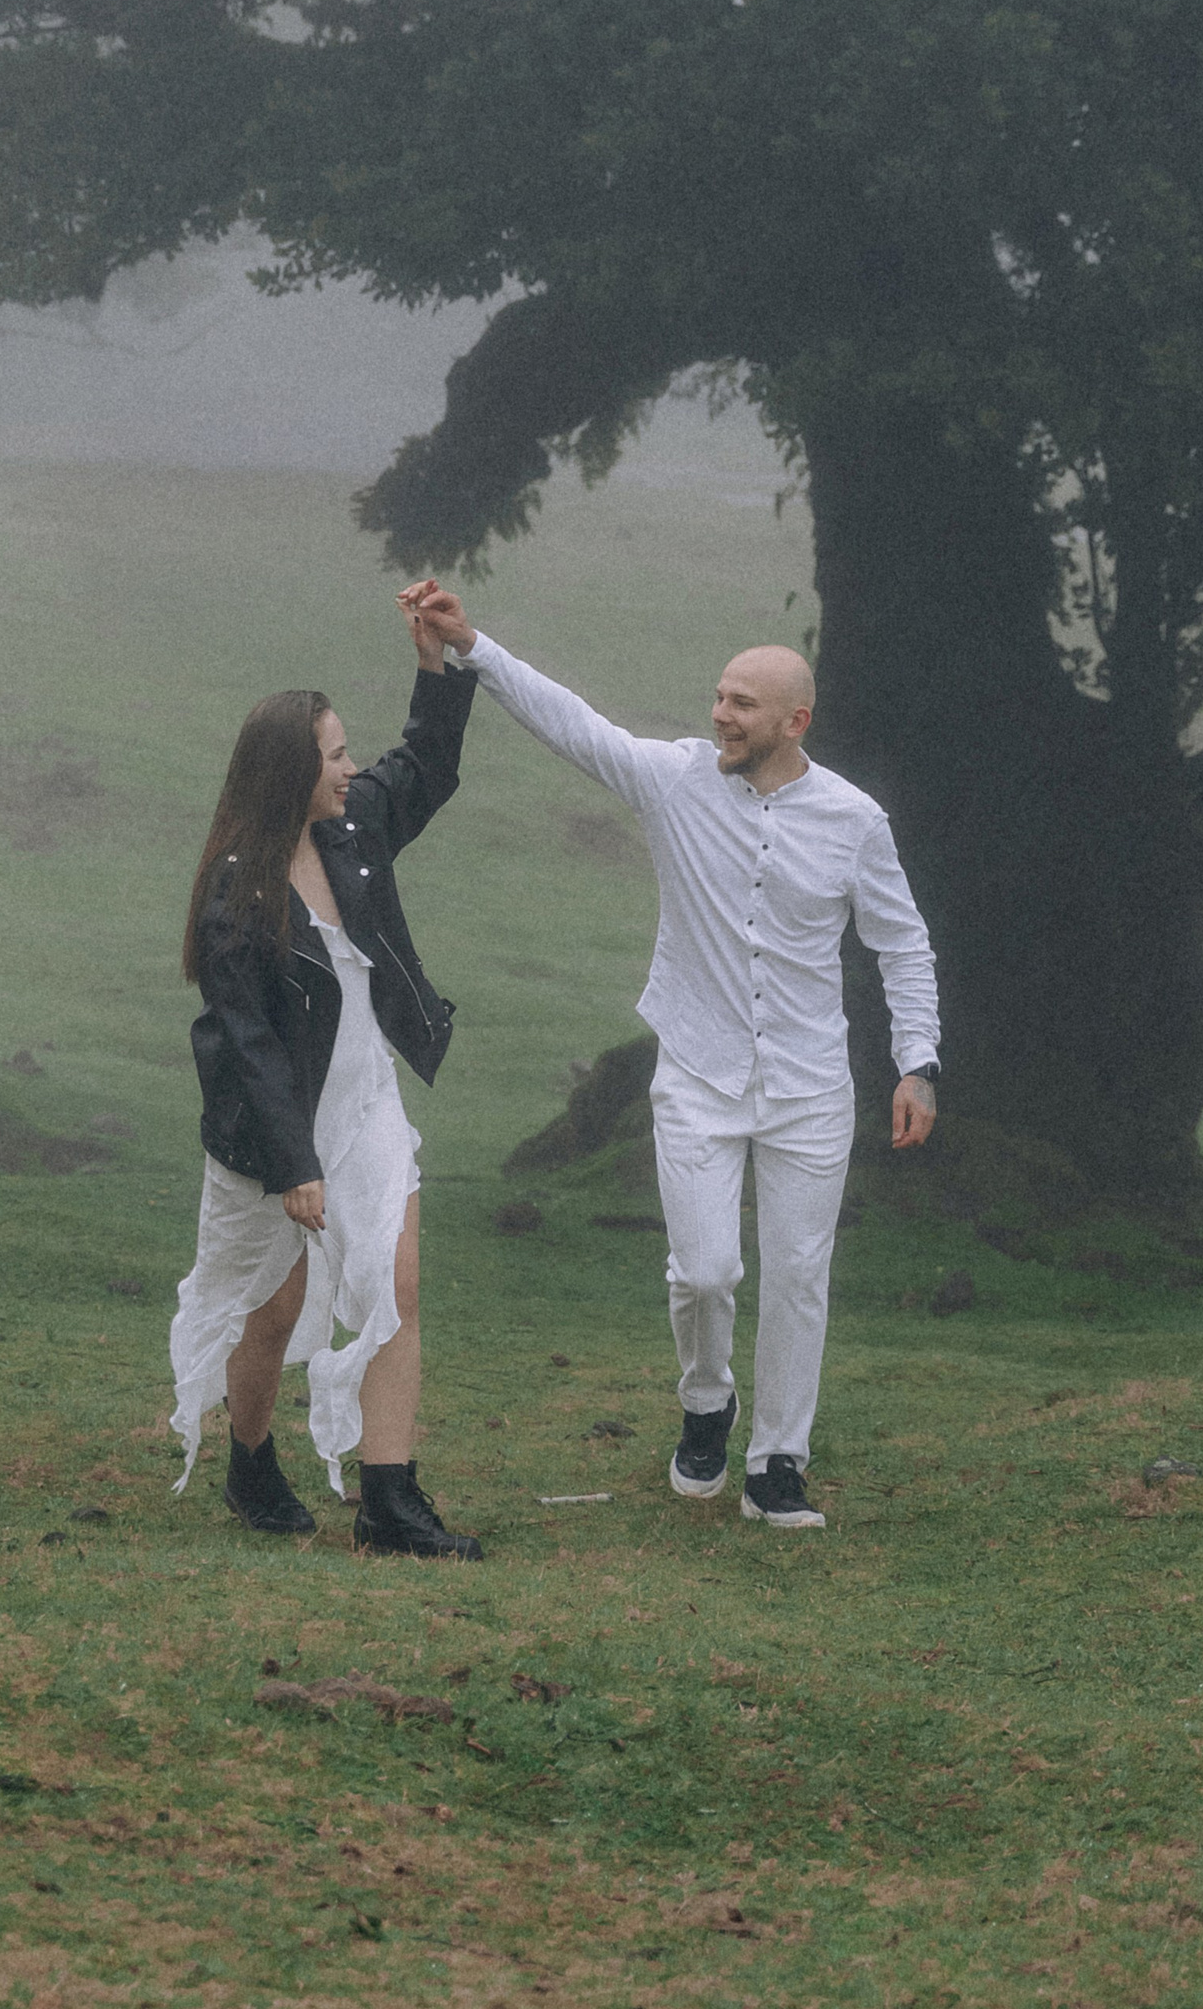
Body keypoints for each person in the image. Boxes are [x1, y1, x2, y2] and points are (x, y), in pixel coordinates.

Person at [400, 580, 939, 1532]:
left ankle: (779, 1463)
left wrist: (917, 1061)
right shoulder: (675, 778)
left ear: (793, 720)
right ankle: (706, 1404)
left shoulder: (855, 820)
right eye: (720, 697)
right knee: (703, 1273)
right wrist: (471, 647)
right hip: (695, 1070)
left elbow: (903, 943)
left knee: (800, 1274)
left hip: (812, 1085)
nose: (719, 715)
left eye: (741, 704)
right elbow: (574, 724)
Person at [168, 612, 481, 1559]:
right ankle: (251, 1460)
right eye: (334, 756)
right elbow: (248, 1043)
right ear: (286, 774)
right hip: (273, 1129)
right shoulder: (234, 892)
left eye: (348, 753)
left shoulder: (353, 830)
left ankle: (391, 1502)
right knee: (272, 1308)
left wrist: (436, 667)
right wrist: (294, 1164)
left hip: (366, 1103)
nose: (351, 769)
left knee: (395, 1280)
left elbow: (424, 763)